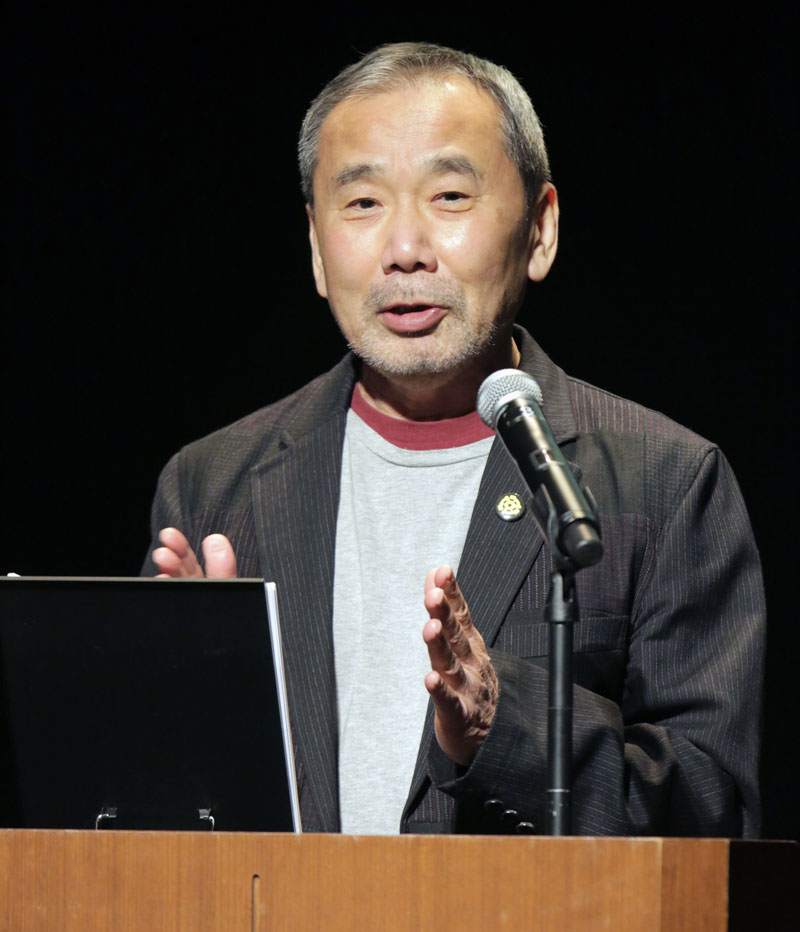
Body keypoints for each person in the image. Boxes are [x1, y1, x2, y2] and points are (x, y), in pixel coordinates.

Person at [143, 42, 765, 837]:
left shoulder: (664, 483)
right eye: (362, 204)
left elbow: (714, 815)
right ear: (314, 246)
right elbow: (157, 819)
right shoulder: (215, 485)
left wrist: (504, 730)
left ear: (539, 230)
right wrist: (187, 704)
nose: (404, 250)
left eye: (448, 195)